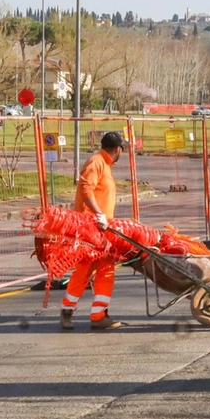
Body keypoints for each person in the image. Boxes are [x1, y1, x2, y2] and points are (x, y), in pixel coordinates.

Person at [60, 131, 127, 331]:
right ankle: (68, 310)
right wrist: (98, 214)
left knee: (105, 268)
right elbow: (85, 189)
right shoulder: (97, 163)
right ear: (118, 150)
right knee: (85, 269)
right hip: (90, 228)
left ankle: (98, 314)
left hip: (101, 229)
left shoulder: (103, 164)